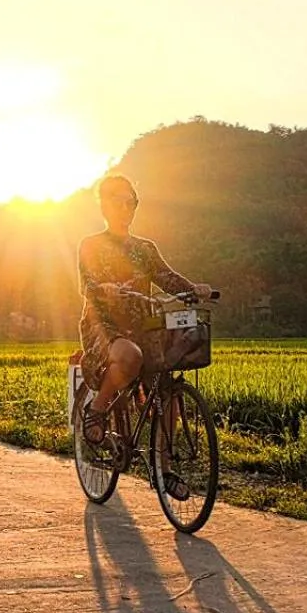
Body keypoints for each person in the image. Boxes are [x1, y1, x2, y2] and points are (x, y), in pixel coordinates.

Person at [78, 174, 211, 444]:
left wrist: (193, 288)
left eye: (132, 202)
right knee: (130, 356)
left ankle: (165, 470)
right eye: (119, 202)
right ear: (104, 205)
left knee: (167, 393)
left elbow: (167, 277)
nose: (126, 208)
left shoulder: (145, 249)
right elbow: (87, 286)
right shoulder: (91, 245)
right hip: (103, 325)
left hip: (144, 326)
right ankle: (98, 408)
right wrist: (105, 288)